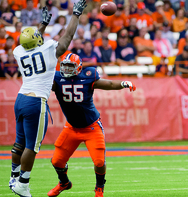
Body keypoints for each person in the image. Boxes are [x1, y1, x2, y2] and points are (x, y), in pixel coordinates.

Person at [8, 0, 87, 197]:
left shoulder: (18, 51)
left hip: (21, 99)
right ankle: (23, 184)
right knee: (32, 147)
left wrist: (41, 25)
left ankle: (14, 176)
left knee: (20, 141)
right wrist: (75, 15)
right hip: (36, 101)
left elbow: (31, 41)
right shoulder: (48, 50)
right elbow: (67, 37)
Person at [47, 53, 136, 197]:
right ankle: (64, 183)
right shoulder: (57, 78)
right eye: (65, 66)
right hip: (71, 127)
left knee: (100, 161)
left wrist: (123, 83)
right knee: (57, 161)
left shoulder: (89, 75)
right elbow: (42, 86)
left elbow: (109, 84)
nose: (67, 69)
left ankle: (99, 188)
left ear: (79, 67)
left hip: (91, 127)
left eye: (70, 66)